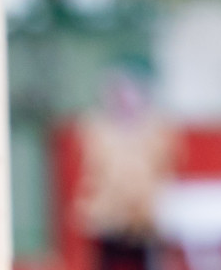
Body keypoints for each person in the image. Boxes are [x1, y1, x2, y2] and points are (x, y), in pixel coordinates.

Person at [74, 70, 176, 270]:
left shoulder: (155, 128)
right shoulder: (97, 128)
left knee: (150, 256)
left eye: (129, 94)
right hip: (110, 209)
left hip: (145, 211)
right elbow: (96, 169)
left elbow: (163, 167)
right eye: (119, 95)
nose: (125, 101)